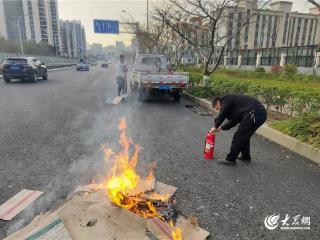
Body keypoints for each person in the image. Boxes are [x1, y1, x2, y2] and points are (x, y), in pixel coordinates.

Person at [210, 94, 267, 165]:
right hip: (257, 113)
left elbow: (222, 113)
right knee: (244, 135)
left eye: (217, 108)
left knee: (238, 136)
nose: (218, 110)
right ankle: (245, 156)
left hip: (255, 113)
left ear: (218, 102)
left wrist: (215, 126)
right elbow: (233, 121)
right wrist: (220, 128)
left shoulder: (226, 99)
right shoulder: (233, 106)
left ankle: (230, 159)